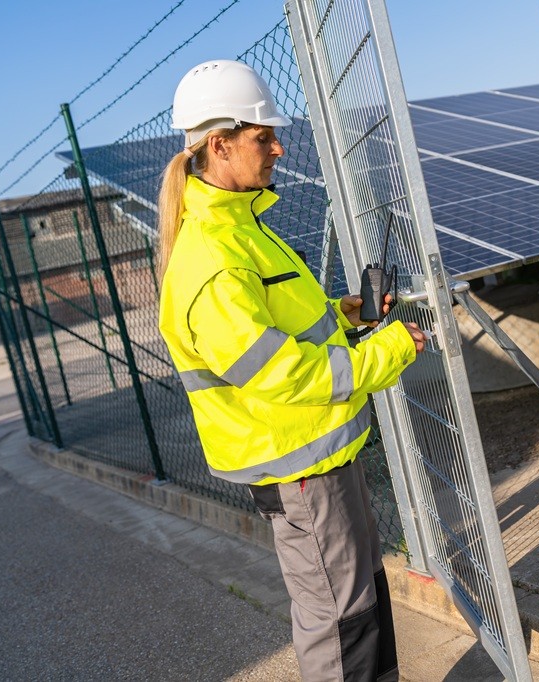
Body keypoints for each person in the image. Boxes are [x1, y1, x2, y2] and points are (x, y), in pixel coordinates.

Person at [156, 59, 426, 681]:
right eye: (263, 137)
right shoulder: (214, 258)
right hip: (299, 466)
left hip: (316, 457)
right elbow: (279, 371)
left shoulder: (239, 230)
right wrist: (385, 353)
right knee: (340, 621)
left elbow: (273, 329)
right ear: (219, 145)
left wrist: (342, 311)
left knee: (359, 602)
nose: (279, 147)